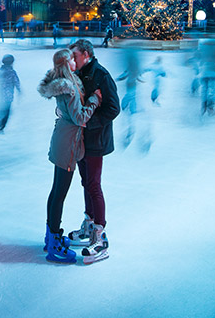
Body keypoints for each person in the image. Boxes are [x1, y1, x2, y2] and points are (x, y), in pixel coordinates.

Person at [37, 48, 101, 264]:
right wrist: (94, 100)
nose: (76, 60)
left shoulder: (66, 82)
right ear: (66, 63)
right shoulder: (70, 88)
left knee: (56, 191)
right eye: (72, 58)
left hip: (62, 139)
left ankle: (51, 236)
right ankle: (54, 244)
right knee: (60, 193)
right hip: (68, 144)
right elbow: (80, 118)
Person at [66, 39, 120, 264]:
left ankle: (100, 234)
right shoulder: (80, 74)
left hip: (96, 140)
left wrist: (91, 123)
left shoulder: (101, 75)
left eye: (75, 56)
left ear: (86, 54)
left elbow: (114, 108)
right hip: (82, 140)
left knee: (94, 185)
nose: (73, 60)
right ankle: (89, 224)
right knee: (85, 182)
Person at [195, 38, 215, 115]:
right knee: (213, 88)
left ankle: (204, 103)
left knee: (204, 88)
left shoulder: (203, 45)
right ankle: (211, 105)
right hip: (214, 70)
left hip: (204, 70)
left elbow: (197, 55)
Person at [0, 54, 21, 132]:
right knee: (6, 112)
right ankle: (1, 127)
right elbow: (16, 82)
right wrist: (19, 91)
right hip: (8, 97)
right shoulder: (12, 72)